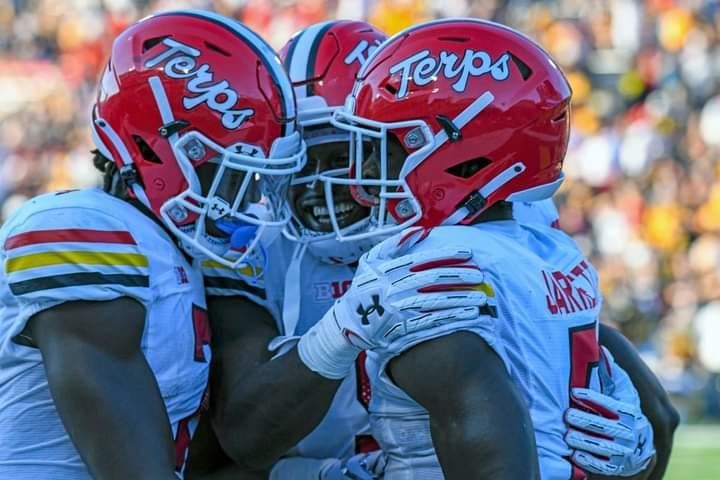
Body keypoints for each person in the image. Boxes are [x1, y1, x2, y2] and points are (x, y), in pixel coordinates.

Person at [189, 18, 668, 480]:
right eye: (296, 162)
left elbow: (652, 414)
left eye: (342, 155)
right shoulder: (253, 244)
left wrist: (632, 458)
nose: (318, 185)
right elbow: (238, 442)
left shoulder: (475, 237)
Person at [0, 9, 306, 479]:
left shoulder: (180, 254)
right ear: (154, 147)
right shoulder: (83, 227)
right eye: (231, 173)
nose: (248, 199)